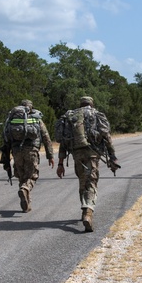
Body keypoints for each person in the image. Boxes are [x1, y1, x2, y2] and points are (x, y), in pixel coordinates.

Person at [55, 96, 118, 233]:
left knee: (83, 181)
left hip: (77, 154)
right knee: (92, 182)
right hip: (93, 154)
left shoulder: (71, 116)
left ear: (80, 104)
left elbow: (63, 143)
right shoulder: (96, 114)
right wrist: (112, 157)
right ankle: (88, 212)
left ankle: (84, 208)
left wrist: (60, 163)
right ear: (91, 104)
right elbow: (106, 136)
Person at [1, 99, 54, 213]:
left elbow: (6, 140)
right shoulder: (36, 119)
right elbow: (46, 138)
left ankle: (26, 204)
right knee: (32, 176)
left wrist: (5, 159)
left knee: (22, 176)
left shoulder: (12, 120)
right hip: (31, 150)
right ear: (31, 108)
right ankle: (25, 189)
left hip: (16, 151)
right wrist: (50, 156)